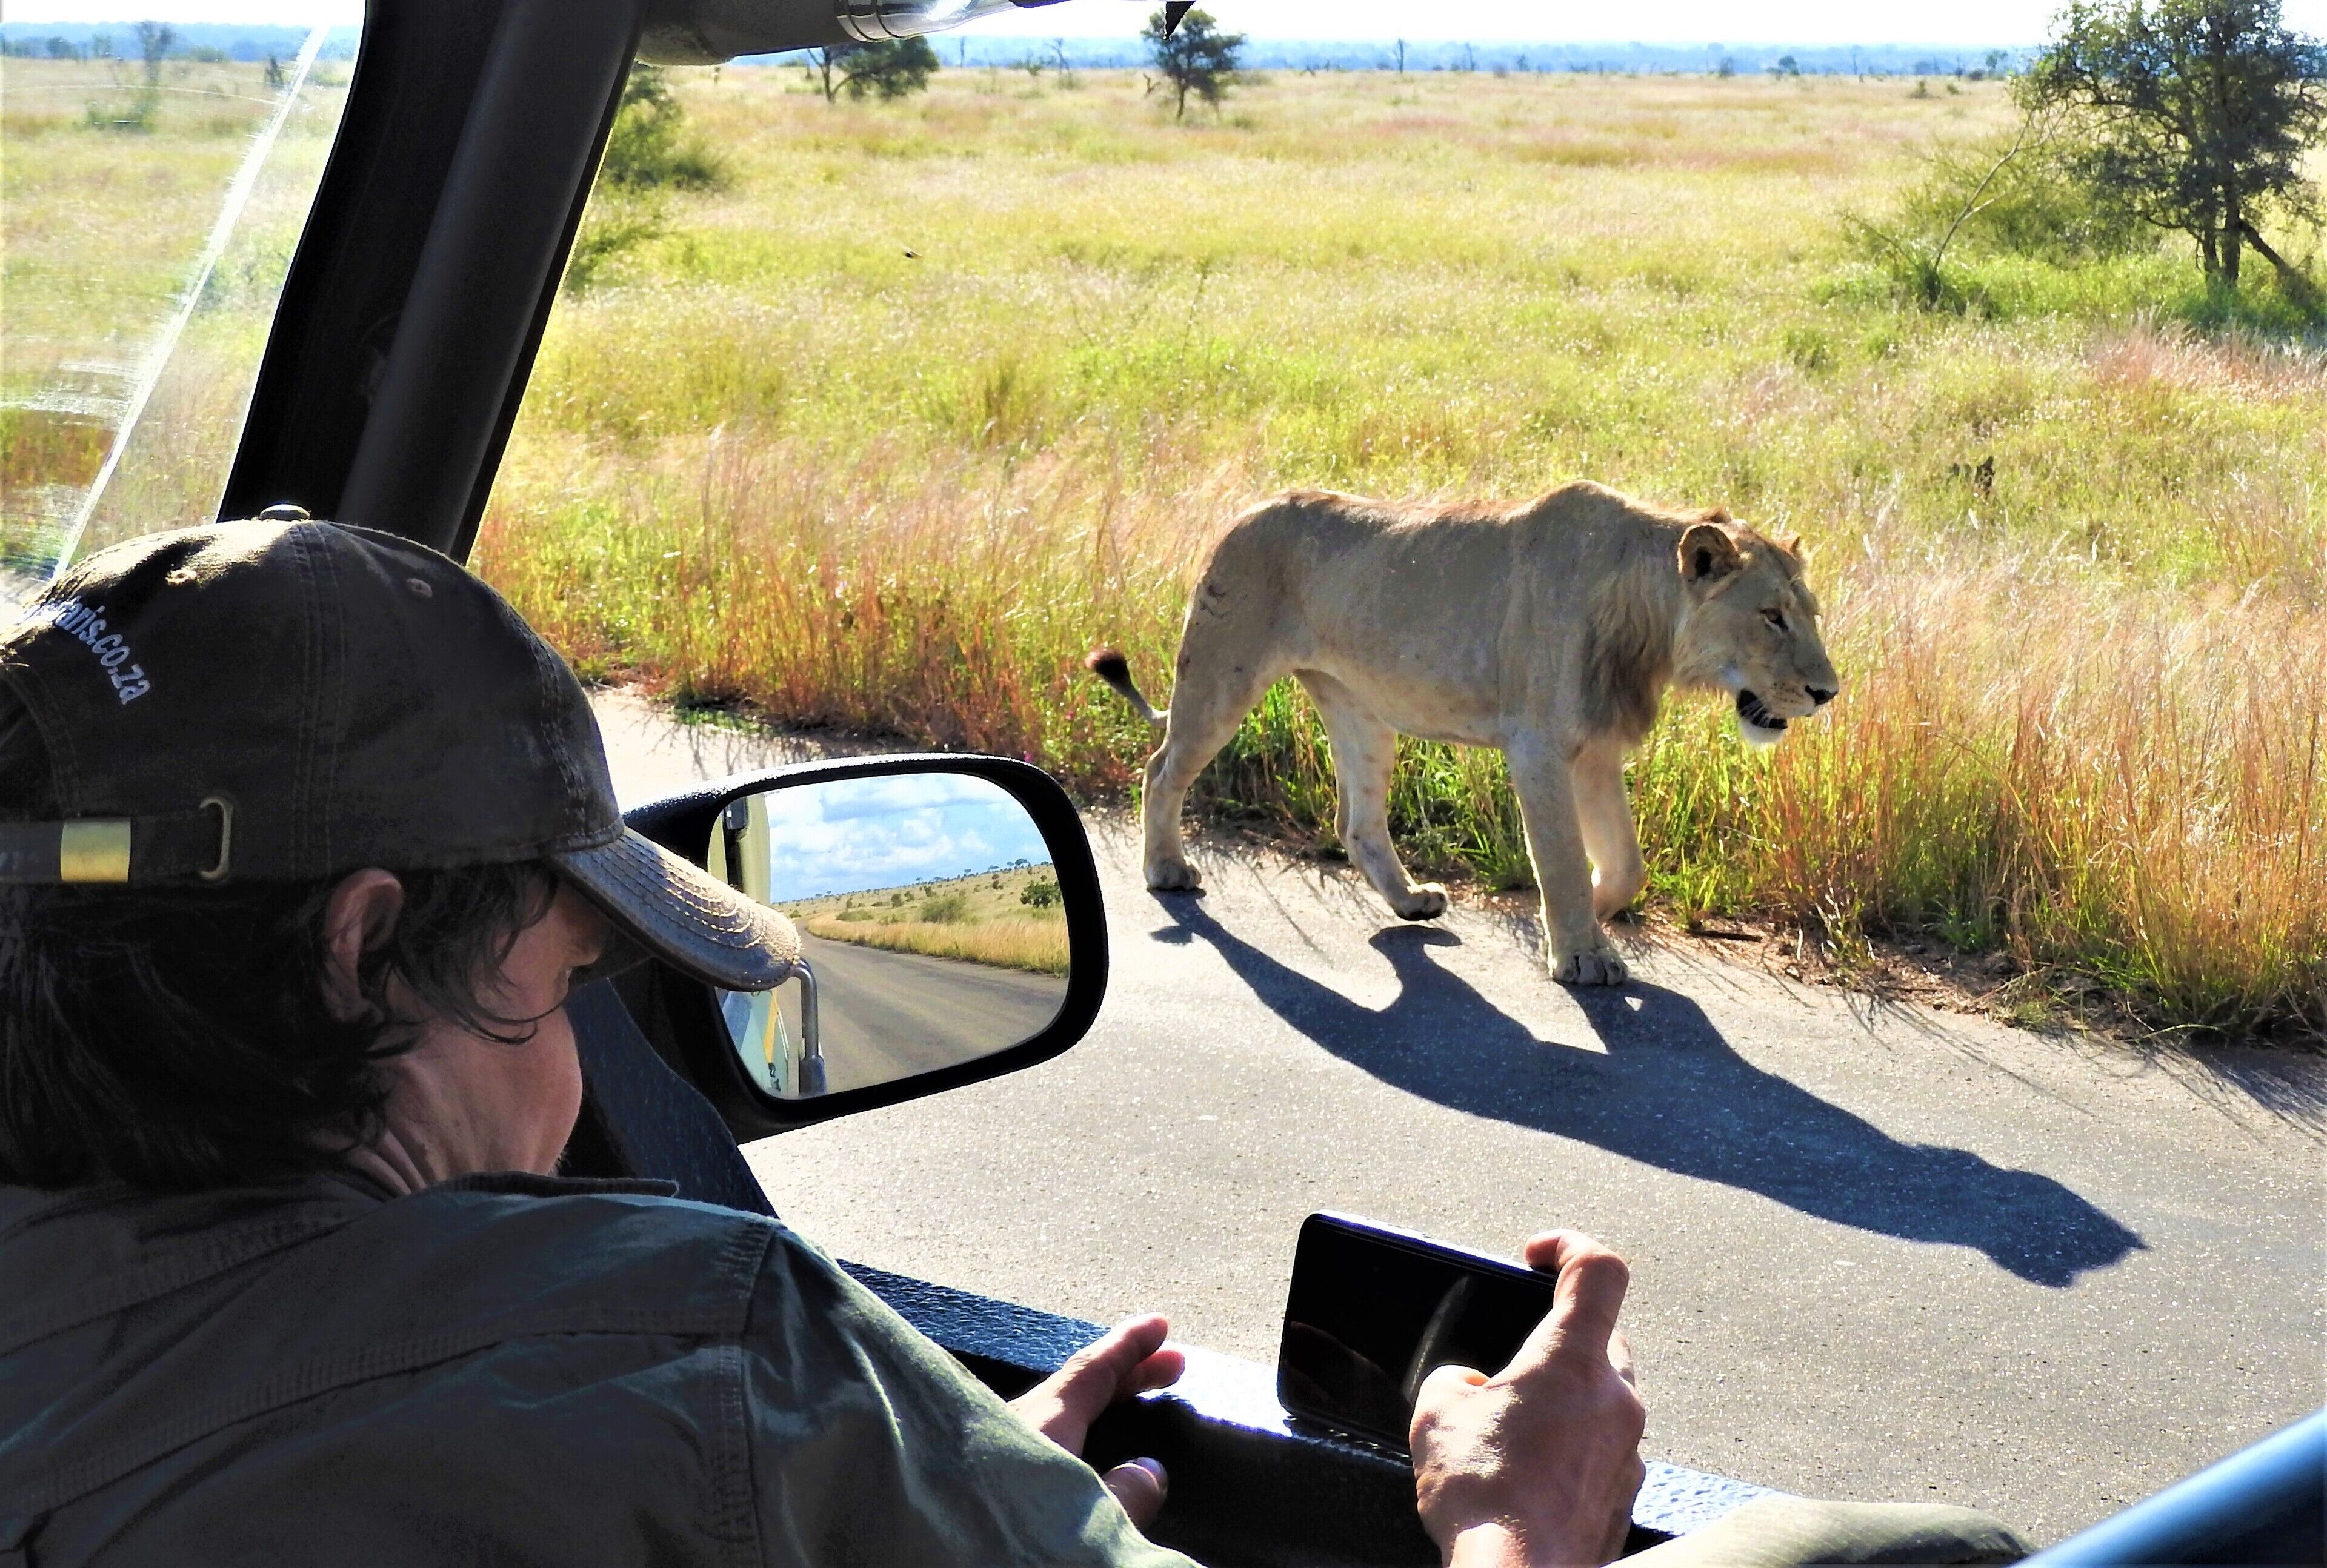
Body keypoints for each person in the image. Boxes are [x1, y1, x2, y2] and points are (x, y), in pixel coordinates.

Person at [0, 518, 2026, 1567]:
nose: (576, 1081)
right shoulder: (701, 1355)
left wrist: (922, 1502)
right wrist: (1521, 1523)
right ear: (368, 954)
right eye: (574, 972)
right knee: (1916, 1553)